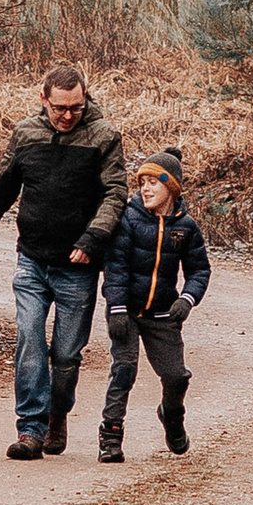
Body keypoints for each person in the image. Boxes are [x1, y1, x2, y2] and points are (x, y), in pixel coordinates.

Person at [0, 64, 126, 459]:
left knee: (66, 355)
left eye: (75, 107)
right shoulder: (26, 134)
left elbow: (116, 193)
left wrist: (93, 238)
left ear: (85, 99)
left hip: (78, 266)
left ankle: (57, 414)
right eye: (59, 108)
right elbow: (0, 188)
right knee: (30, 342)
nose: (67, 115)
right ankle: (30, 429)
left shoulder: (103, 136)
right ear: (43, 99)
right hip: (32, 259)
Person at [97, 146, 209, 460]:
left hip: (163, 314)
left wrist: (187, 299)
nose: (145, 188)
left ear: (171, 187)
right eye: (142, 182)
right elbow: (115, 267)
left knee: (176, 376)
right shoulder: (128, 220)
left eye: (153, 182)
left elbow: (199, 270)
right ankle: (111, 435)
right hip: (126, 312)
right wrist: (117, 308)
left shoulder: (186, 227)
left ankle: (172, 416)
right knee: (124, 370)